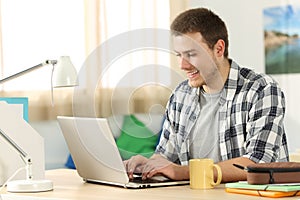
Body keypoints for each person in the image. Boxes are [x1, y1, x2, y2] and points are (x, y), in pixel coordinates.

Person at [124, 7, 289, 183]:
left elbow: (258, 163)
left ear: (219, 49)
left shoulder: (261, 89)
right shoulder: (180, 96)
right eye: (179, 55)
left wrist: (184, 172)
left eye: (191, 54)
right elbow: (166, 157)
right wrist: (148, 165)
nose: (183, 65)